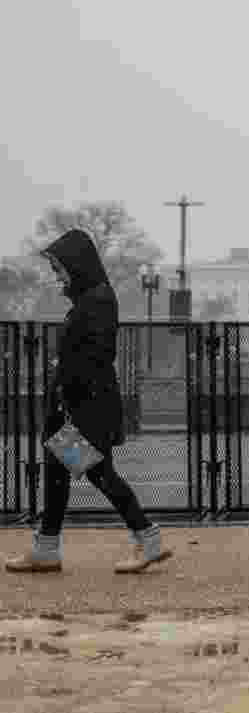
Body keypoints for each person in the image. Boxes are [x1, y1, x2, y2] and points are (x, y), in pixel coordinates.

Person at [6, 229, 172, 574]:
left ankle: (146, 536)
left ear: (77, 265)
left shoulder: (96, 301)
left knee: (99, 474)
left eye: (59, 268)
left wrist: (65, 382)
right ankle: (47, 547)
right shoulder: (91, 299)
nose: (57, 276)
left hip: (83, 409)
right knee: (59, 472)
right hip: (79, 405)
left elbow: (94, 356)